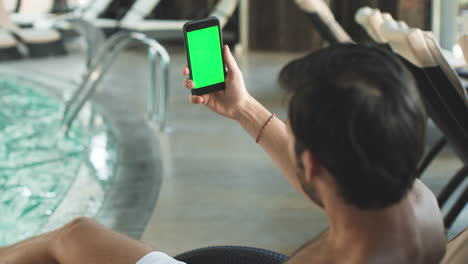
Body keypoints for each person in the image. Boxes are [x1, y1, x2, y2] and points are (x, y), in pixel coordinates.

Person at [0, 43, 447, 264]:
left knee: (73, 237)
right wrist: (244, 109)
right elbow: (341, 175)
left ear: (311, 166)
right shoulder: (419, 208)